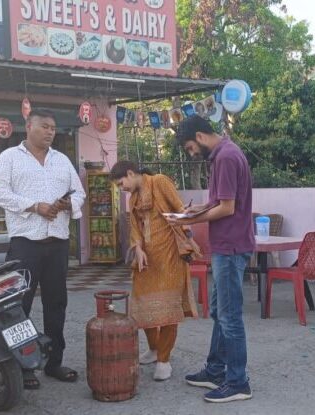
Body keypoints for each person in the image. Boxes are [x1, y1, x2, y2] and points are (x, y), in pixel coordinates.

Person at [0, 109, 85, 389]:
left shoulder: (62, 160)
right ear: (28, 126)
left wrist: (69, 204)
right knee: (19, 306)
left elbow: (79, 192)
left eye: (53, 128)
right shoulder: (9, 158)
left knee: (56, 304)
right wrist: (34, 206)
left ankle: (54, 362)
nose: (50, 132)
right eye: (44, 126)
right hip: (25, 244)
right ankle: (22, 367)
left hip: (57, 243)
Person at [167, 115, 255, 403]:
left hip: (230, 246)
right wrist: (193, 212)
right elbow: (220, 201)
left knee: (229, 317)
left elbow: (228, 208)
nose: (193, 154)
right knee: (219, 311)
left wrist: (187, 222)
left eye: (191, 148)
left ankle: (238, 382)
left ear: (201, 137)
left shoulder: (226, 157)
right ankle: (216, 370)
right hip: (225, 245)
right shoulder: (224, 155)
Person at [109, 160, 198, 381]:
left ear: (131, 173)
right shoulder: (133, 199)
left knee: (168, 308)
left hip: (170, 256)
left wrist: (188, 237)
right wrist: (137, 248)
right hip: (147, 259)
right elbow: (135, 228)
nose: (122, 189)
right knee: (143, 305)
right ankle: (154, 348)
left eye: (121, 183)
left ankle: (164, 360)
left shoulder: (159, 182)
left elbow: (180, 210)